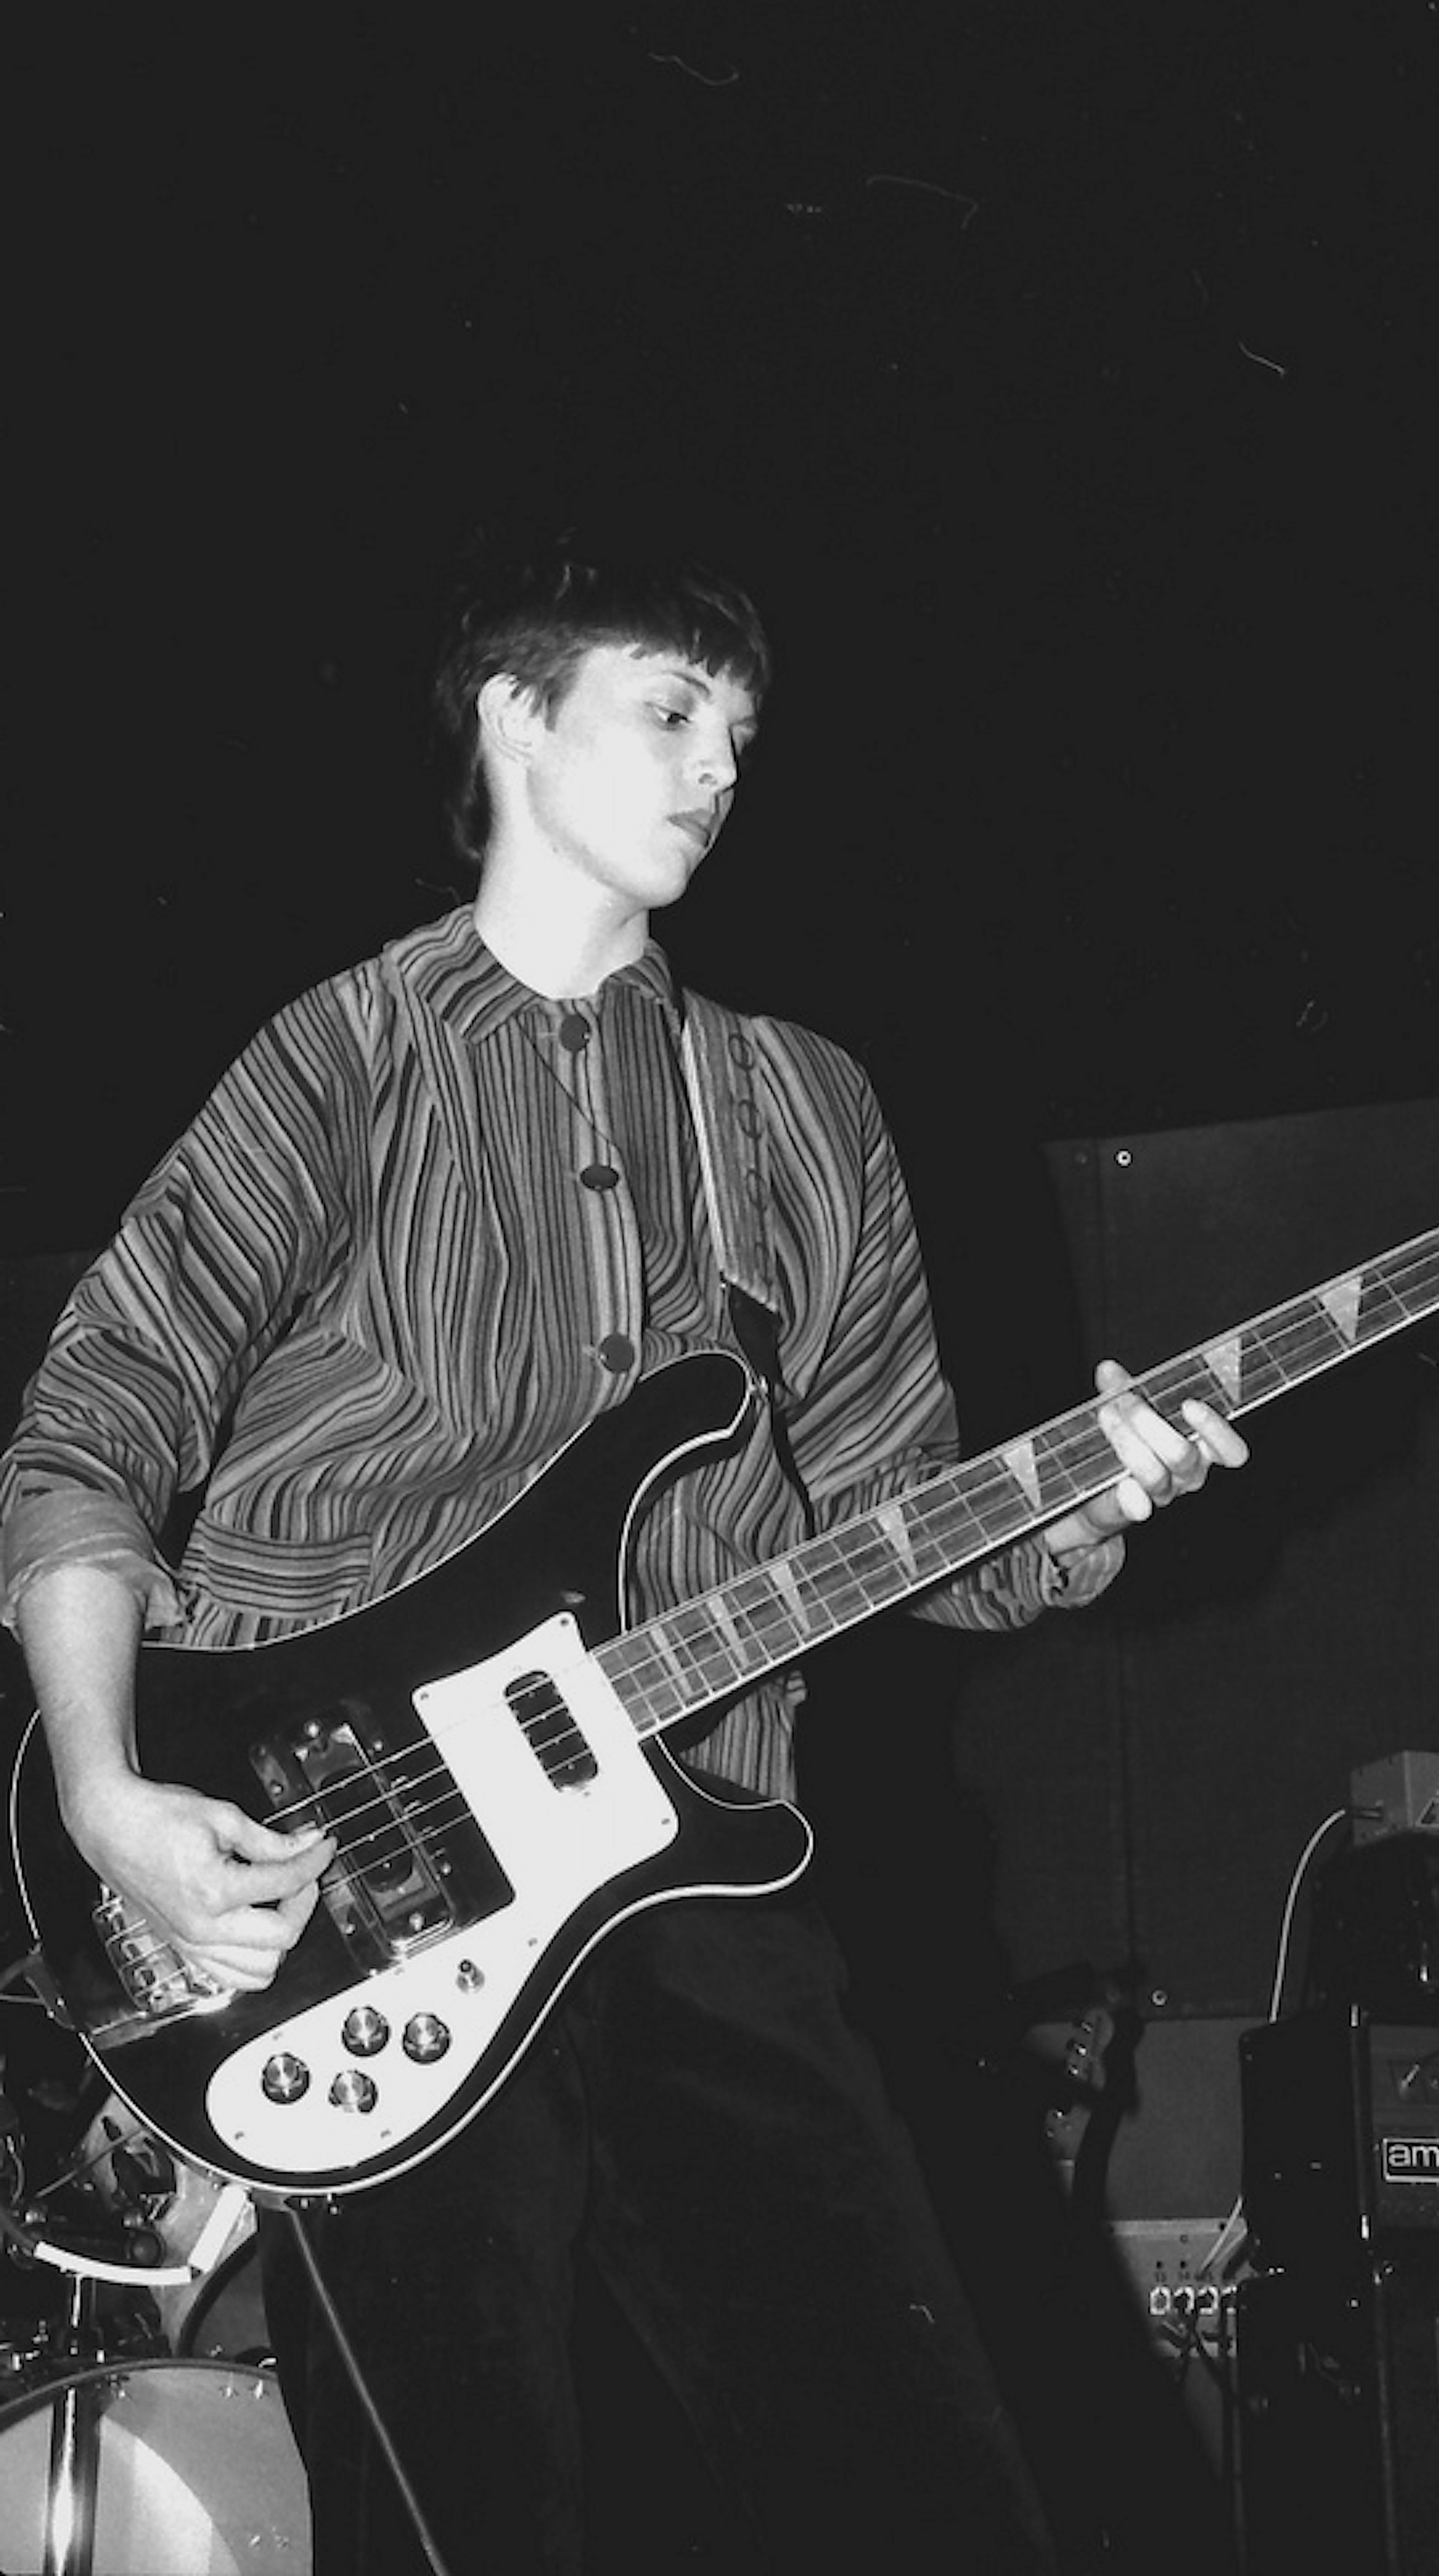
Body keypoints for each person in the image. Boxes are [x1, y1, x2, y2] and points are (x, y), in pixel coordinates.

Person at [0, 537, 1247, 2573]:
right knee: (462, 2520)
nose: (715, 767)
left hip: (700, 1857)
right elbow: (97, 1414)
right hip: (348, 1879)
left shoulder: (797, 1101)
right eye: (668, 710)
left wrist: (1079, 1507)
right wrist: (98, 1781)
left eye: (740, 736)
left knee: (923, 2500)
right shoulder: (343, 1055)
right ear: (513, 716)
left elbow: (897, 1517)